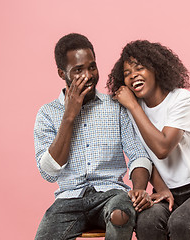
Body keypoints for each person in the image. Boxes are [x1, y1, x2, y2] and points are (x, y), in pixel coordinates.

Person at [33, 33, 153, 240]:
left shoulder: (115, 106)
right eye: (78, 70)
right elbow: (49, 173)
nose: (88, 75)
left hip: (111, 195)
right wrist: (69, 116)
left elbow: (138, 155)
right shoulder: (47, 113)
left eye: (92, 67)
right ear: (62, 73)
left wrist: (139, 189)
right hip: (68, 199)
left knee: (122, 213)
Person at [107, 40, 190, 240]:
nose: (133, 75)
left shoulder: (182, 100)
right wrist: (161, 188)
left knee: (182, 223)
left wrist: (133, 107)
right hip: (167, 192)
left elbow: (162, 148)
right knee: (146, 223)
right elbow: (145, 156)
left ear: (156, 69)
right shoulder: (135, 109)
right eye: (126, 73)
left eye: (139, 68)